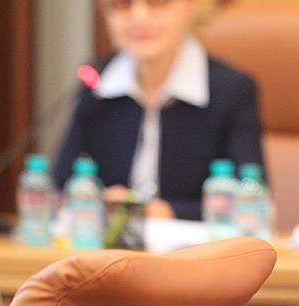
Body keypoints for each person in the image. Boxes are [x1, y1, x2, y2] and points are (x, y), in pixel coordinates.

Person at [53, 0, 265, 220]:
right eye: (123, 4)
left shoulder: (232, 89)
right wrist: (100, 202)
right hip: (111, 240)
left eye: (157, 2)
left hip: (196, 240)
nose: (139, 16)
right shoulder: (97, 81)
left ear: (189, 7)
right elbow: (60, 188)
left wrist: (160, 211)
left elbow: (249, 201)